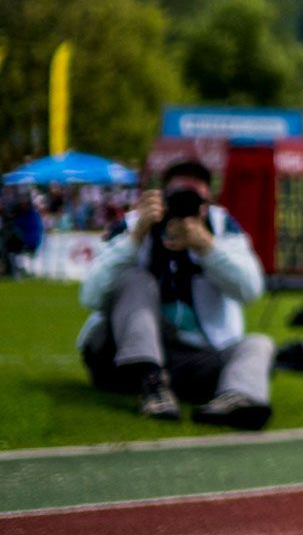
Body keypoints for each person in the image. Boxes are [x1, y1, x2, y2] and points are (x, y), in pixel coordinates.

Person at [78, 161, 274, 430]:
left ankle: (236, 398)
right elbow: (90, 296)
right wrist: (135, 239)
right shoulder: (135, 225)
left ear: (207, 203)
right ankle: (151, 382)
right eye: (177, 197)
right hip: (120, 356)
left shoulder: (221, 227)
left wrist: (207, 247)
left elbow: (250, 290)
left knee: (258, 344)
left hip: (191, 358)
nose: (184, 207)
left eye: (194, 199)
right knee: (136, 280)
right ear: (161, 197)